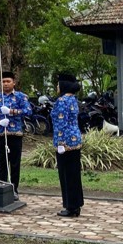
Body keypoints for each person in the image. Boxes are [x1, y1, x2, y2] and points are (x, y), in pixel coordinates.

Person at [0, 71, 31, 199]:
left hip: (15, 134)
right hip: (0, 134)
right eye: (3, 81)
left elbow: (28, 111)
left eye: (8, 81)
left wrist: (12, 111)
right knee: (2, 162)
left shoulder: (20, 97)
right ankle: (3, 186)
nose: (6, 84)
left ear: (14, 82)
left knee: (14, 163)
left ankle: (14, 189)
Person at [52, 73, 84, 218]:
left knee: (66, 175)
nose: (57, 87)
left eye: (58, 84)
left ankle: (70, 206)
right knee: (74, 175)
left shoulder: (62, 101)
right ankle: (76, 205)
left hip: (65, 142)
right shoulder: (73, 99)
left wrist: (60, 143)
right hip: (75, 140)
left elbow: (60, 124)